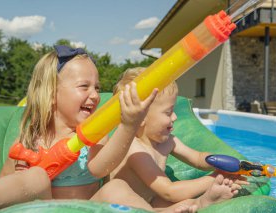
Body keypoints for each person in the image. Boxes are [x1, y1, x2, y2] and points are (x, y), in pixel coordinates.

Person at [0, 46, 158, 213]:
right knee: (35, 177)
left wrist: (128, 125)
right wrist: (19, 181)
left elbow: (99, 169)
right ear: (52, 92)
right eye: (84, 86)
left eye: (97, 88)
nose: (95, 95)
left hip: (91, 208)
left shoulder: (95, 132)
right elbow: (8, 184)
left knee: (115, 187)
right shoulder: (29, 141)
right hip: (47, 209)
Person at [91, 67, 249, 212]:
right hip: (120, 206)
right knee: (131, 193)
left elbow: (198, 158)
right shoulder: (135, 149)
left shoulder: (167, 141)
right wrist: (215, 178)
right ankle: (195, 204)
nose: (175, 117)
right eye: (168, 112)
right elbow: (169, 191)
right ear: (141, 117)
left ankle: (200, 203)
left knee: (167, 202)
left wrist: (220, 163)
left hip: (151, 200)